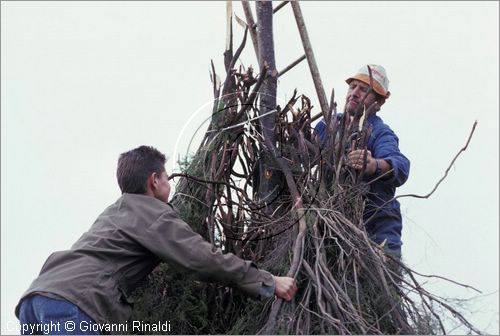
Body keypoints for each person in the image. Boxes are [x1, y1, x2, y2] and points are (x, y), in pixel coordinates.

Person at [15, 145, 297, 335]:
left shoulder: (115, 211)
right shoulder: (152, 214)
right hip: (73, 304)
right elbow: (201, 258)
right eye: (166, 178)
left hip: (37, 298)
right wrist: (267, 281)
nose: (168, 184)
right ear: (154, 180)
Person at [314, 64, 410, 260]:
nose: (354, 93)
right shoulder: (328, 125)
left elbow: (400, 165)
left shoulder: (380, 132)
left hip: (377, 224)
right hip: (334, 219)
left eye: (364, 90)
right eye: (353, 87)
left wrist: (374, 164)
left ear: (379, 102)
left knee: (384, 280)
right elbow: (303, 153)